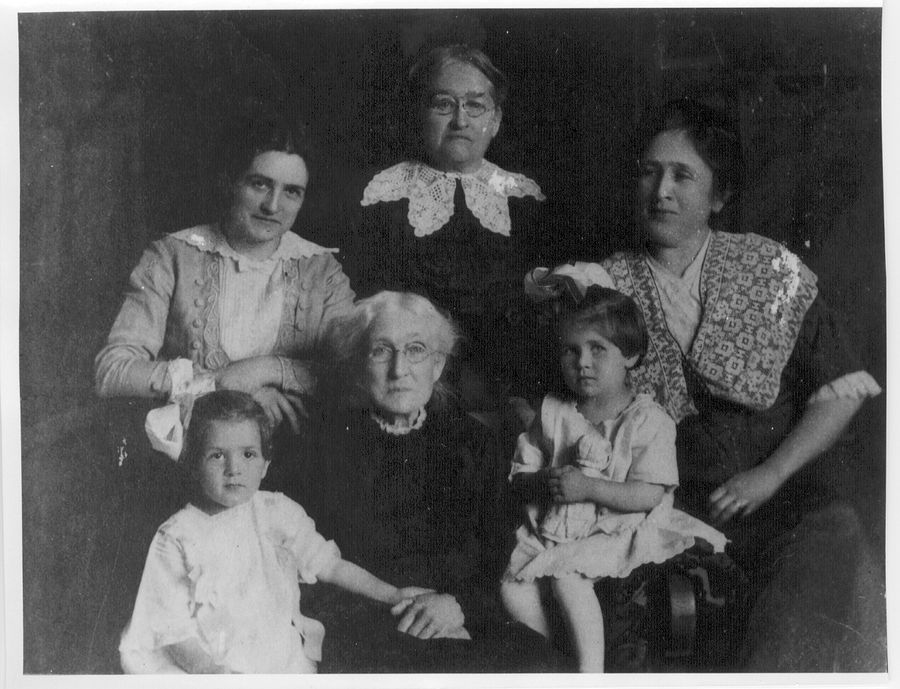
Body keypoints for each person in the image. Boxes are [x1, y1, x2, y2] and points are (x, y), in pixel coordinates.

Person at [526, 98, 884, 670]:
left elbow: (840, 387)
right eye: (649, 172)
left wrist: (769, 474)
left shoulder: (770, 268)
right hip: (662, 511)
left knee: (830, 557)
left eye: (681, 175)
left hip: (782, 503)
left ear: (718, 196)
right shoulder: (604, 286)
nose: (660, 191)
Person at [295, 291, 564, 672]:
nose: (399, 369)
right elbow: (313, 559)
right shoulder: (324, 442)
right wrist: (400, 605)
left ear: (437, 365)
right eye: (381, 351)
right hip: (366, 621)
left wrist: (457, 606)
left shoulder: (474, 441)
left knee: (542, 667)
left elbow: (495, 546)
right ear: (359, 365)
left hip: (460, 611)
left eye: (416, 350)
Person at [119, 390, 431, 674]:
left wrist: (391, 593)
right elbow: (173, 631)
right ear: (192, 464)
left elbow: (330, 566)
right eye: (216, 455)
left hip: (275, 651)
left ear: (266, 465)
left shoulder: (275, 512)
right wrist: (219, 676)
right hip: (203, 661)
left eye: (248, 454)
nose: (234, 468)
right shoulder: (177, 535)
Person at [95, 112, 355, 447]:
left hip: (296, 454)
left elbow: (354, 374)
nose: (273, 205)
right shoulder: (172, 256)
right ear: (229, 180)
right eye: (259, 183)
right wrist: (221, 384)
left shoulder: (322, 270)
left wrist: (264, 370)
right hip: (193, 452)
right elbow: (112, 371)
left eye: (291, 192)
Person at [500, 287, 726, 672]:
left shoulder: (648, 420)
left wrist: (589, 488)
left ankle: (591, 673)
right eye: (571, 350)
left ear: (630, 356)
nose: (582, 362)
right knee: (512, 586)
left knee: (567, 578)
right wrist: (543, 482)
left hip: (616, 526)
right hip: (555, 526)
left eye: (597, 349)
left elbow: (649, 495)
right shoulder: (553, 411)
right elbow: (521, 474)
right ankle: (546, 663)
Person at [349, 44, 559, 408]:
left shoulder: (526, 199)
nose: (460, 120)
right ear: (419, 114)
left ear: (494, 121)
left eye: (475, 105)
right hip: (407, 386)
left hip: (506, 386)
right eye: (443, 104)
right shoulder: (382, 194)